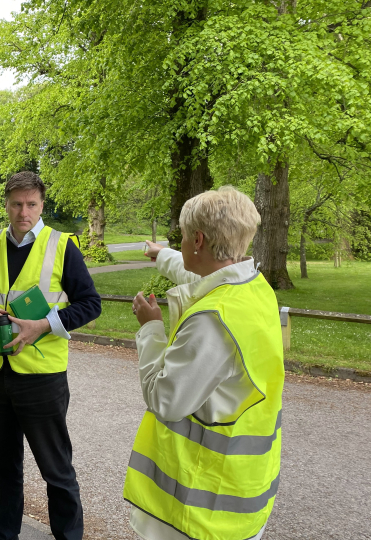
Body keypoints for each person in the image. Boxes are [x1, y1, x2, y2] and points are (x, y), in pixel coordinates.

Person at [124, 186, 284, 540]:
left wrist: (151, 328)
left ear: (197, 240)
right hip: (243, 489)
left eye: (182, 236)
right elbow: (204, 278)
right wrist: (162, 255)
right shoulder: (254, 288)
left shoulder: (212, 321)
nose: (181, 243)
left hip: (201, 510)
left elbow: (165, 399)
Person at [0, 171, 102, 540]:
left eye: (31, 204)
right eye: (16, 204)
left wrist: (42, 325)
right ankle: (3, 533)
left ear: (42, 205)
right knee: (2, 464)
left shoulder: (62, 245)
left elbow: (91, 304)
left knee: (55, 469)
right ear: (6, 204)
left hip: (42, 376)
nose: (23, 212)